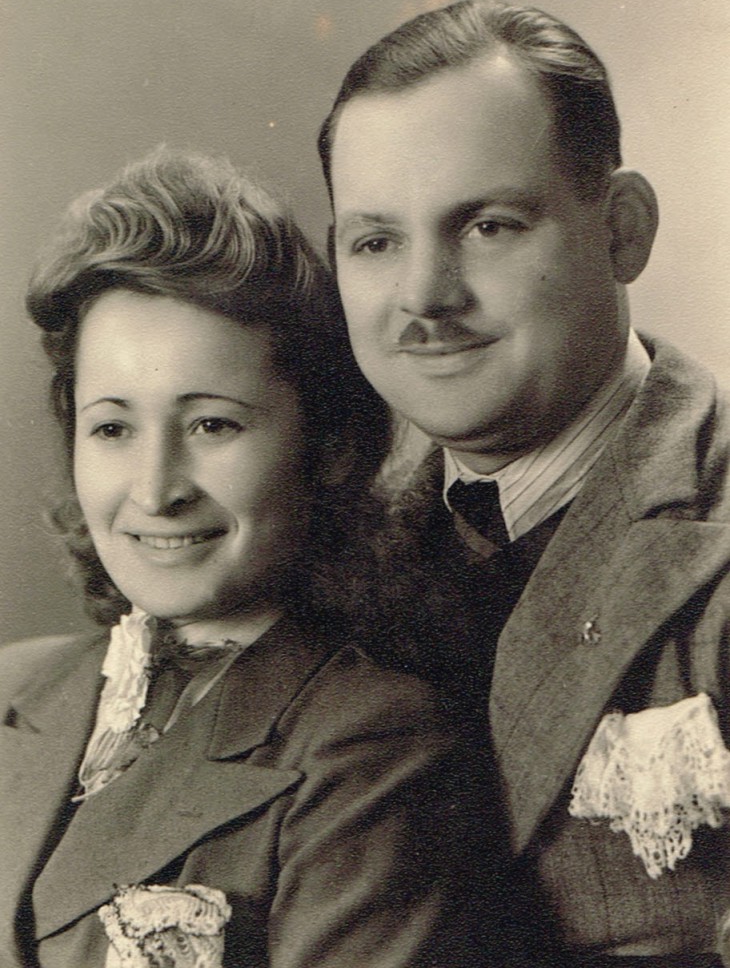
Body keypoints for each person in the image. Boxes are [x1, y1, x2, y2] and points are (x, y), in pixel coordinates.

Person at [0, 148, 507, 968]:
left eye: (212, 426)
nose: (156, 489)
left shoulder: (371, 747)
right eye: (113, 428)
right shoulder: (12, 689)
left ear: (331, 446)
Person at [318, 0, 730, 964]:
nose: (424, 295)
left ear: (623, 229)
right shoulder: (335, 558)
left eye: (488, 226)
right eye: (376, 241)